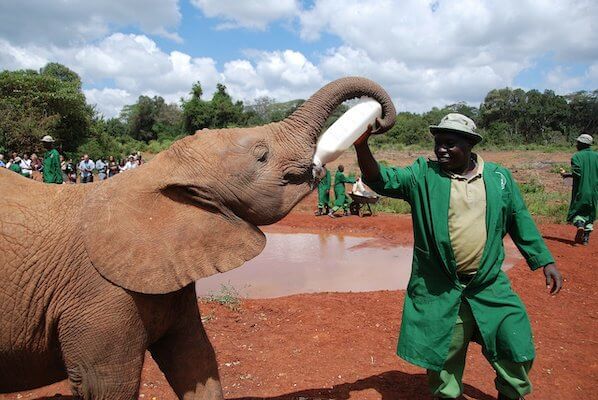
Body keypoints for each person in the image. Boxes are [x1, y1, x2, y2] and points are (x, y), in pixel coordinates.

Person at [354, 113, 562, 400]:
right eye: (438, 143)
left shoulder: (498, 178)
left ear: (470, 144)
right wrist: (362, 146)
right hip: (442, 286)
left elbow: (519, 218)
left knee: (514, 340)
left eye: (450, 144)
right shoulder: (423, 175)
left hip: (488, 284)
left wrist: (544, 260)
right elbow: (380, 179)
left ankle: (511, 393)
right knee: (445, 356)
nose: (441, 150)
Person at [560, 133, 597, 245]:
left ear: (581, 144)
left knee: (577, 210)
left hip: (581, 190)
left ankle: (580, 225)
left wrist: (565, 174)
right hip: (595, 191)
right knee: (591, 212)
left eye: (578, 143)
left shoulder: (576, 156)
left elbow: (577, 173)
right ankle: (586, 237)